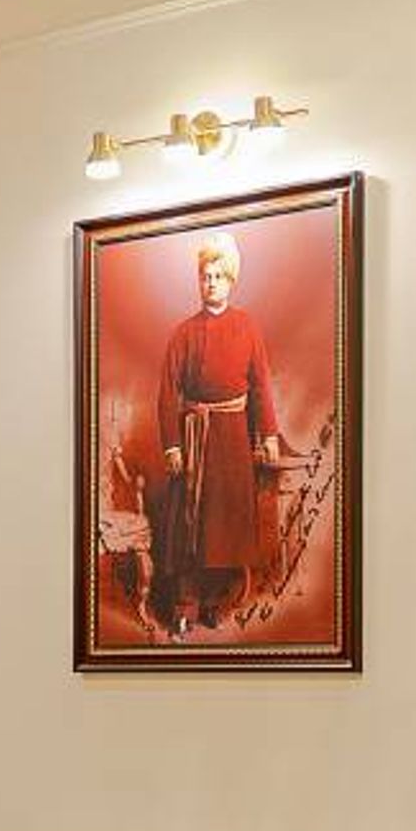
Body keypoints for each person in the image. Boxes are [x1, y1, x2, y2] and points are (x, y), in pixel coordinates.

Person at [152, 231, 283, 636]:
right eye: (205, 276)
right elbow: (166, 393)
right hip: (195, 441)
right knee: (189, 528)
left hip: (232, 442)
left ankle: (215, 601)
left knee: (225, 526)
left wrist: (269, 436)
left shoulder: (247, 328)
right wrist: (173, 445)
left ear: (231, 281)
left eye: (218, 276)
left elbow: (260, 386)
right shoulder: (184, 333)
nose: (211, 283)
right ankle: (185, 605)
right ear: (199, 281)